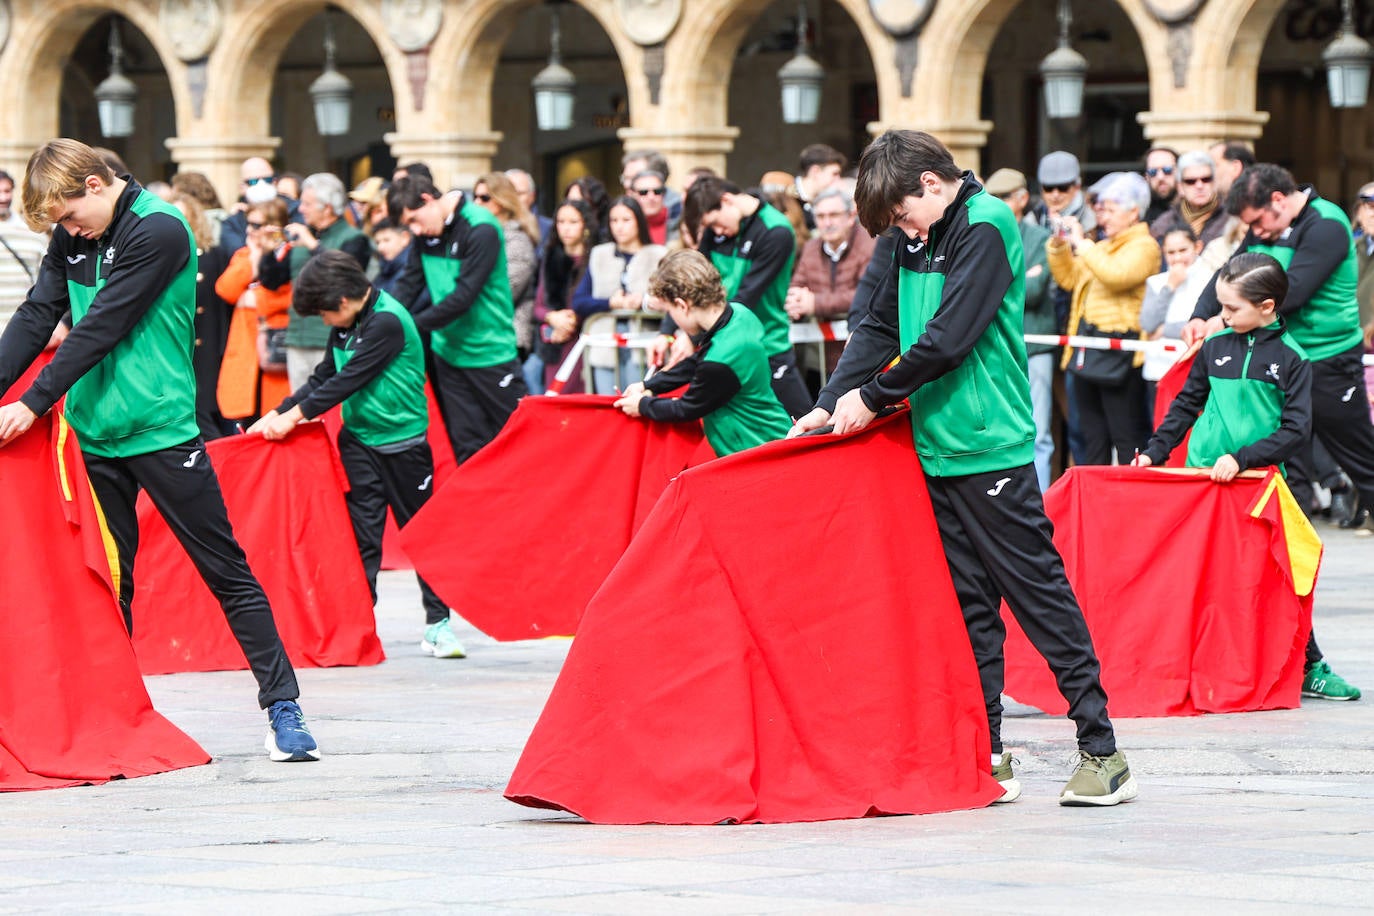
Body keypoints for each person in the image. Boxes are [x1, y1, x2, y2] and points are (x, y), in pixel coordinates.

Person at [790, 130, 1135, 807]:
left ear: (930, 185)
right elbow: (878, 328)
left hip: (990, 445)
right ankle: (988, 754)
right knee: (969, 609)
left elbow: (949, 338)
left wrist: (872, 397)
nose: (898, 229)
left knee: (1038, 597)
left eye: (900, 214)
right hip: (935, 447)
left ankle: (1102, 751)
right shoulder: (906, 233)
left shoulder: (987, 222)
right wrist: (829, 404)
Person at [0, 138, 317, 762]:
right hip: (93, 435)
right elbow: (39, 314)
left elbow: (103, 324)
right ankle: (114, 713)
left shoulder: (162, 228)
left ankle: (283, 706)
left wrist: (32, 401)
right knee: (106, 584)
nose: (67, 231)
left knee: (225, 570)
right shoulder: (73, 235)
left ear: (95, 185)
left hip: (164, 431)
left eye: (68, 216)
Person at [1136, 252, 1359, 701]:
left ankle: (1308, 664)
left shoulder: (1293, 359)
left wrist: (1243, 459)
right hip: (1202, 481)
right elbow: (1186, 404)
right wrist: (1155, 453)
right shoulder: (1215, 347)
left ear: (1267, 307)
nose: (1222, 316)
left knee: (1283, 576)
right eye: (1220, 306)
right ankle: (1193, 662)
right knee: (1200, 576)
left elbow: (1296, 430)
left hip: (1260, 484)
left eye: (1231, 309)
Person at [249, 250, 465, 660]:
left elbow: (348, 380)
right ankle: (360, 626)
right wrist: (277, 412)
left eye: (324, 315)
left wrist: (294, 417)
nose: (325, 323)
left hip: (404, 447)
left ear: (343, 303)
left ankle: (438, 625)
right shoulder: (347, 325)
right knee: (362, 540)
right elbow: (324, 376)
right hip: (360, 443)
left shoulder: (387, 321)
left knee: (421, 538)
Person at [1185, 164, 1374, 537]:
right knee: (1284, 458)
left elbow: (1292, 291)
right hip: (1279, 357)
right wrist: (1200, 314)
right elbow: (1231, 272)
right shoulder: (1264, 226)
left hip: (1327, 359)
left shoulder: (1326, 224)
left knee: (1359, 457)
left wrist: (1222, 321)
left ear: (1277, 200)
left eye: (1257, 223)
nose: (1255, 234)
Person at [388, 175, 526, 462]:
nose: (415, 230)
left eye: (414, 219)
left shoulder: (481, 227)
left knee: (517, 438)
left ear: (427, 199)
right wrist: (381, 318)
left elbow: (463, 297)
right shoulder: (423, 234)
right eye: (408, 225)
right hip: (448, 354)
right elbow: (408, 284)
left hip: (489, 352)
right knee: (467, 446)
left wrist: (408, 328)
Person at [614, 249, 790, 455]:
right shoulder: (739, 314)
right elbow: (698, 361)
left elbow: (686, 408)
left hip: (755, 448)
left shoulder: (721, 359)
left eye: (670, 311)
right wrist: (648, 385)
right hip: (769, 436)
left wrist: (642, 405)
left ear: (682, 305)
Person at [666, 176, 812, 419]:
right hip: (719, 342)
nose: (717, 232)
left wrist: (693, 338)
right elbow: (691, 278)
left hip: (765, 345)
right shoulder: (718, 229)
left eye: (715, 224)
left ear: (727, 201)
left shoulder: (776, 231)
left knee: (801, 422)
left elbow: (747, 296)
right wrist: (667, 330)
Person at [1048, 172, 1159, 465]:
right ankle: (1094, 505)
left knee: (1127, 437)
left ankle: (1129, 503)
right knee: (1090, 436)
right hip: (1090, 350)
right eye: (1100, 209)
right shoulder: (1103, 245)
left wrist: (1083, 244)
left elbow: (1116, 276)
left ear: (1133, 212)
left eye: (1110, 209)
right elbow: (1069, 278)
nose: (1102, 216)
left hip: (1122, 355)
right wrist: (1060, 245)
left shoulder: (1144, 246)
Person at [984, 168, 1057, 489]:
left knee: (1038, 431)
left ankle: (1039, 499)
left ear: (1023, 198)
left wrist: (995, 283)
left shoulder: (1039, 237)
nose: (997, 203)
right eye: (992, 197)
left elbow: (1037, 289)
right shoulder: (985, 232)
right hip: (996, 347)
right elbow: (976, 290)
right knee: (997, 428)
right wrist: (1020, 279)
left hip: (1035, 347)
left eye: (1003, 197)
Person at [283, 172, 372, 389]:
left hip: (330, 338)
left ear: (327, 208)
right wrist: (267, 251)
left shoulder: (354, 238)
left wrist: (313, 246)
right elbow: (273, 278)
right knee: (300, 413)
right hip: (297, 338)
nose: (300, 209)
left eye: (307, 203)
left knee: (330, 409)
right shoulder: (302, 236)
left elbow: (344, 276)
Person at [572, 195, 667, 393]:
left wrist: (644, 302)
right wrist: (611, 303)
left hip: (643, 345)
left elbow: (670, 300)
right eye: (614, 220)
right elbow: (579, 301)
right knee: (608, 404)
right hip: (605, 345)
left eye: (626, 220)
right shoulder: (600, 254)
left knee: (639, 402)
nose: (619, 227)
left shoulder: (658, 254)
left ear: (638, 221)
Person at [214, 198, 294, 426]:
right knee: (247, 421)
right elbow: (225, 289)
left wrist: (254, 298)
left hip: (276, 347)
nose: (250, 230)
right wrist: (254, 259)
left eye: (257, 225)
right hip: (247, 348)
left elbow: (289, 295)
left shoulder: (290, 253)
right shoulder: (244, 255)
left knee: (275, 416)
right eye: (249, 224)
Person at [785, 186, 875, 378]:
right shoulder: (811, 247)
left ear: (851, 216)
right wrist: (795, 301)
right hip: (818, 356)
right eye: (821, 216)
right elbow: (797, 285)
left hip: (860, 352)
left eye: (833, 215)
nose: (827, 223)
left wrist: (815, 303)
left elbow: (868, 294)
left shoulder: (870, 244)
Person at [170, 191, 235, 440]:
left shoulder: (213, 255)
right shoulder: (166, 257)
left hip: (209, 342)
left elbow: (222, 305)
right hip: (180, 343)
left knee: (207, 410)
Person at [472, 172, 540, 362]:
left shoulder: (516, 238)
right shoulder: (480, 234)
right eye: (475, 197)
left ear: (501, 200)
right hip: (482, 333)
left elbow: (506, 291)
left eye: (485, 198)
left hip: (507, 334)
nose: (477, 203)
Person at [1140, 227, 1208, 404]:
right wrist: (1169, 287)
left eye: (1183, 250)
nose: (1177, 258)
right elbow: (1147, 324)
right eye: (1171, 252)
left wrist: (1164, 330)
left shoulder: (1209, 279)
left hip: (1194, 369)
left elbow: (1205, 324)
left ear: (1197, 247)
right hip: (1158, 369)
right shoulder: (1156, 282)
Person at [533, 200, 595, 393]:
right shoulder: (551, 256)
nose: (566, 228)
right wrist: (554, 318)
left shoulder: (595, 256)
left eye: (573, 222)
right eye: (561, 222)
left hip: (585, 340)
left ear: (585, 224)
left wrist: (573, 320)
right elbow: (538, 306)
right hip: (556, 341)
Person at [0, 168, 49, 334]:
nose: (3, 197)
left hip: (22, 329)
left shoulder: (34, 232)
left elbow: (46, 280)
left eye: (7, 191)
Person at [1150, 151, 1229, 248]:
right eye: (1191, 181)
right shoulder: (1163, 225)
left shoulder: (1231, 220)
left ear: (1214, 183)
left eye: (1206, 179)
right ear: (1180, 187)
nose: (1199, 186)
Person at [794, 143, 847, 230]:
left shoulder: (828, 199)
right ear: (816, 171)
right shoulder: (785, 198)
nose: (838, 180)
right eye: (834, 174)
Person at [1143, 146, 1178, 224]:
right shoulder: (1140, 215)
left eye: (1167, 170)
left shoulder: (1194, 207)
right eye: (1153, 172)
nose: (1160, 177)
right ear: (1146, 177)